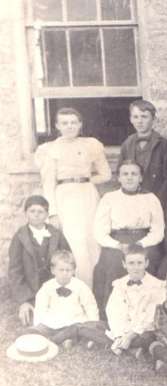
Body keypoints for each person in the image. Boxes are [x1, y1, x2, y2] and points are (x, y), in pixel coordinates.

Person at [34, 107, 112, 287]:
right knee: (75, 242)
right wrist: (52, 213)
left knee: (93, 240)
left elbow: (106, 174)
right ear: (57, 126)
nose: (69, 126)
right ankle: (79, 289)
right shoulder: (49, 149)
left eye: (73, 122)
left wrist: (85, 180)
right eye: (64, 123)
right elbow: (48, 183)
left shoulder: (90, 145)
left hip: (88, 196)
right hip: (65, 198)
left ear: (80, 124)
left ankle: (97, 292)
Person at [93, 160, 164, 313]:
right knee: (112, 264)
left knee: (147, 261)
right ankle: (111, 314)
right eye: (125, 174)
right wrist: (117, 245)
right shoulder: (109, 198)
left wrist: (141, 244)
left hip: (144, 242)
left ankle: (147, 313)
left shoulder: (151, 198)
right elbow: (99, 231)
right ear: (118, 178)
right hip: (117, 242)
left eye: (134, 174)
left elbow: (158, 231)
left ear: (140, 177)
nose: (129, 177)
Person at [9, 195, 70, 327]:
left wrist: (65, 286)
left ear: (47, 214)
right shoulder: (20, 237)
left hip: (55, 288)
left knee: (65, 315)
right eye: (32, 211)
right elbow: (15, 271)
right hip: (31, 292)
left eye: (40, 211)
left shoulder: (56, 234)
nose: (36, 215)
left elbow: (68, 260)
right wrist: (24, 300)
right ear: (26, 213)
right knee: (35, 321)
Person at [28, 251, 108, 349]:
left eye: (68, 270)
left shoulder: (81, 286)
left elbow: (90, 306)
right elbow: (40, 308)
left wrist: (93, 324)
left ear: (74, 271)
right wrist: (38, 324)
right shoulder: (47, 287)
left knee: (79, 330)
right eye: (61, 270)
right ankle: (57, 338)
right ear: (53, 270)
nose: (65, 273)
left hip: (74, 322)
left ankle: (64, 340)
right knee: (40, 330)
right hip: (53, 322)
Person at [105, 245, 166, 356]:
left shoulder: (157, 286)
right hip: (125, 327)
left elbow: (152, 316)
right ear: (124, 264)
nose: (136, 268)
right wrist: (120, 334)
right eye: (131, 263)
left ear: (146, 263)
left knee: (148, 337)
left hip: (145, 329)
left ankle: (121, 345)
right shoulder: (119, 284)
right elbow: (113, 310)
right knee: (102, 327)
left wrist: (131, 335)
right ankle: (129, 348)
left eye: (139, 263)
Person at [120, 99, 167, 206]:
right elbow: (121, 173)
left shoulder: (164, 145)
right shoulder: (127, 144)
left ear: (153, 119)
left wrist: (157, 201)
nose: (139, 121)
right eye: (136, 117)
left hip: (156, 199)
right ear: (130, 119)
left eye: (144, 117)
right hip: (131, 199)